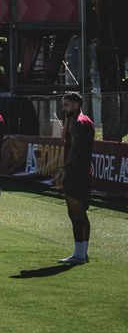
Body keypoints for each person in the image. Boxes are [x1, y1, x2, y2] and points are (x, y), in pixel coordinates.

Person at [56, 92, 93, 265]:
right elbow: (64, 137)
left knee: (75, 213)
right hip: (82, 172)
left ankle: (79, 255)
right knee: (79, 213)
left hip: (75, 172)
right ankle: (82, 253)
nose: (64, 108)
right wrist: (67, 118)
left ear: (76, 104)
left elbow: (74, 149)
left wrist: (63, 170)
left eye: (66, 105)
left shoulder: (78, 122)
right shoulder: (82, 120)